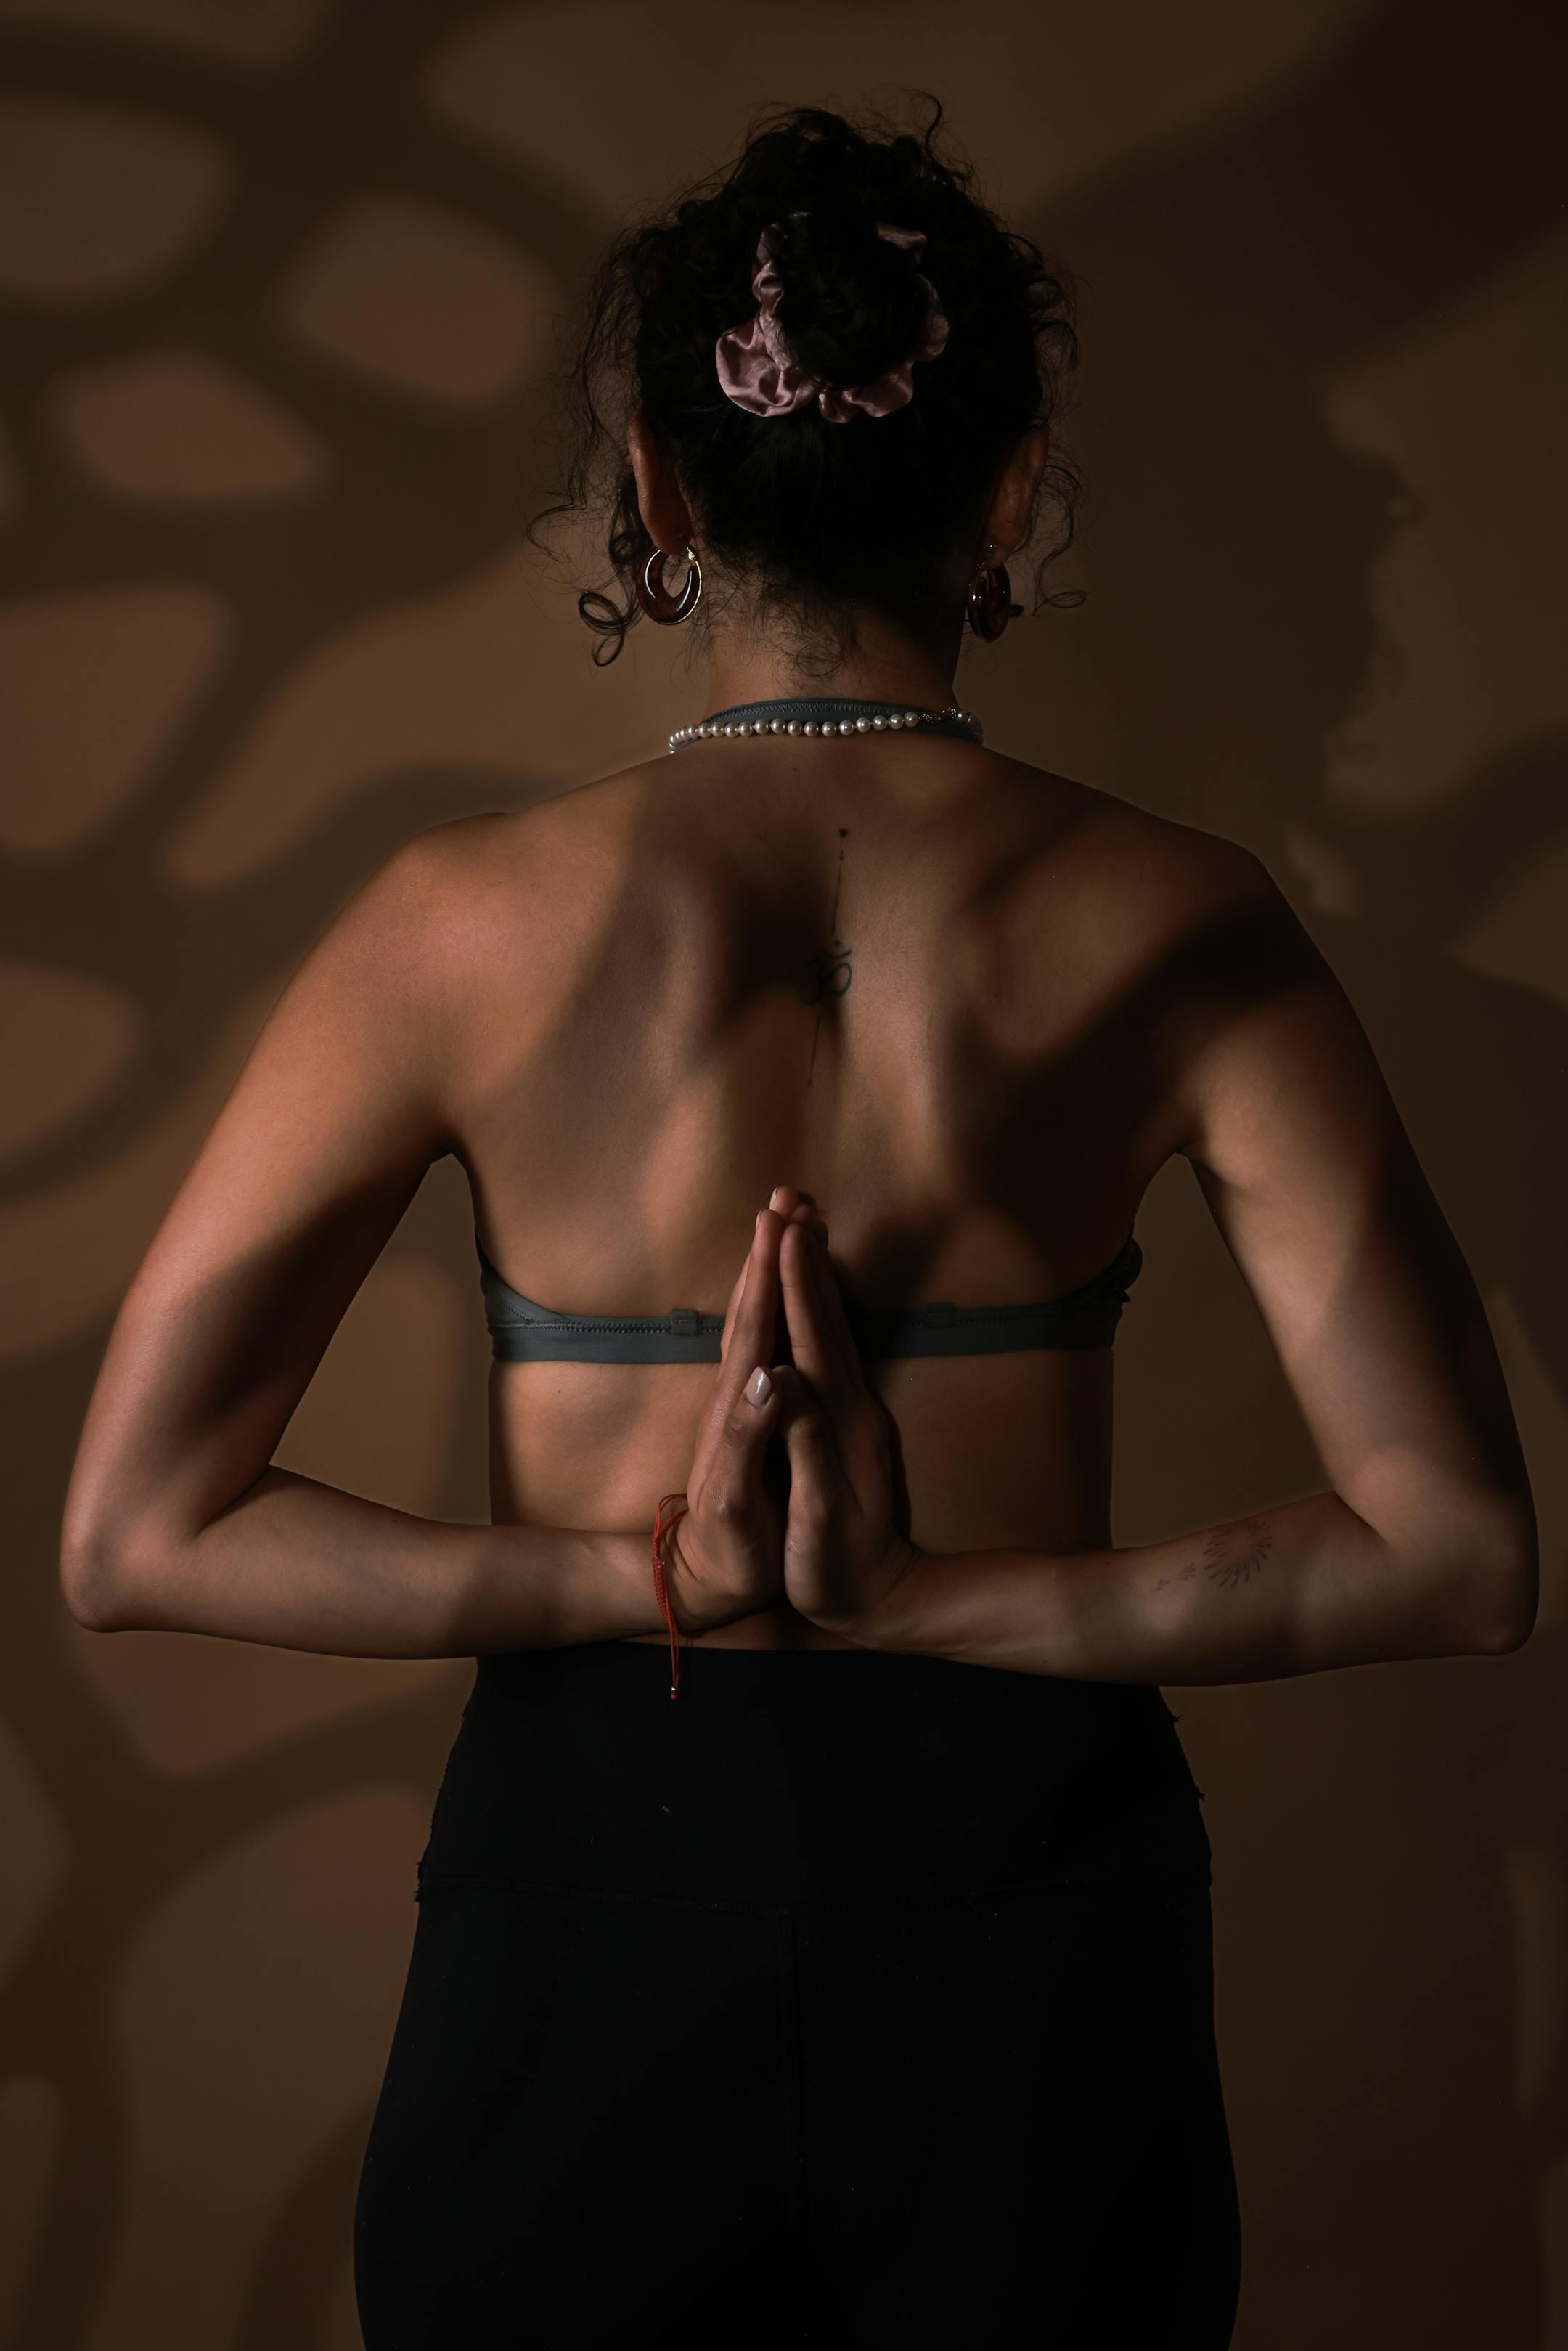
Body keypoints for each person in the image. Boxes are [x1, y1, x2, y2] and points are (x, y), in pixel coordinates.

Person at [59, 99, 1536, 2351]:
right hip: (1035, 1907)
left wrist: (634, 1571)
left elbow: (132, 1538)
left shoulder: (452, 928)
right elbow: (1460, 1555)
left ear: (657, 490)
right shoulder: (1184, 927)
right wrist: (928, 1600)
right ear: (1013, 486)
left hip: (587, 1891)